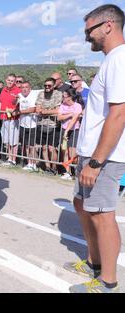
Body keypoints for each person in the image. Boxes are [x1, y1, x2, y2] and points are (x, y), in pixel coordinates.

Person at [64, 4, 125, 293]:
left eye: (90, 30)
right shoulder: (111, 60)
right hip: (92, 152)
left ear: (108, 26)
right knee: (81, 204)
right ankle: (94, 261)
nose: (87, 36)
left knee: (102, 214)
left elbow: (119, 114)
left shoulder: (120, 59)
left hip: (106, 157)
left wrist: (97, 162)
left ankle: (108, 281)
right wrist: (85, 153)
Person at [35, 78, 63, 175]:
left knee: (52, 148)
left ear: (54, 86)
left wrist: (44, 111)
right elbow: (38, 109)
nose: (47, 87)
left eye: (49, 85)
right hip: (41, 124)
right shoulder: (40, 94)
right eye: (45, 85)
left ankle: (54, 168)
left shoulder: (58, 94)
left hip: (54, 125)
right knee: (43, 148)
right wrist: (49, 110)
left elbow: (58, 110)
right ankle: (47, 168)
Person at [57, 88, 83, 180]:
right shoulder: (62, 105)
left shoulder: (78, 106)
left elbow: (74, 119)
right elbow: (59, 118)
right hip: (64, 129)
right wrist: (69, 114)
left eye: (64, 96)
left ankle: (77, 172)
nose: (63, 98)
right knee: (65, 152)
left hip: (74, 130)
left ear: (70, 97)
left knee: (73, 154)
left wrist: (67, 130)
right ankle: (67, 172)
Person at [0, 74, 21, 166]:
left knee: (13, 140)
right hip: (3, 118)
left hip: (13, 119)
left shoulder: (18, 91)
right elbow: (0, 102)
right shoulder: (3, 89)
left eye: (12, 80)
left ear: (15, 82)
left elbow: (19, 105)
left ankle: (13, 159)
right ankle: (9, 157)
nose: (10, 82)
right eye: (8, 80)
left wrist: (14, 110)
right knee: (6, 140)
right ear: (6, 80)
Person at [18, 81, 38, 171]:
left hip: (32, 125)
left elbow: (32, 109)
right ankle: (29, 163)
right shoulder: (19, 95)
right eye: (22, 87)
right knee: (25, 145)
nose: (24, 89)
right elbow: (15, 104)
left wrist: (20, 112)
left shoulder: (33, 96)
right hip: (22, 124)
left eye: (26, 87)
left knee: (31, 146)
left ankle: (34, 164)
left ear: (30, 88)